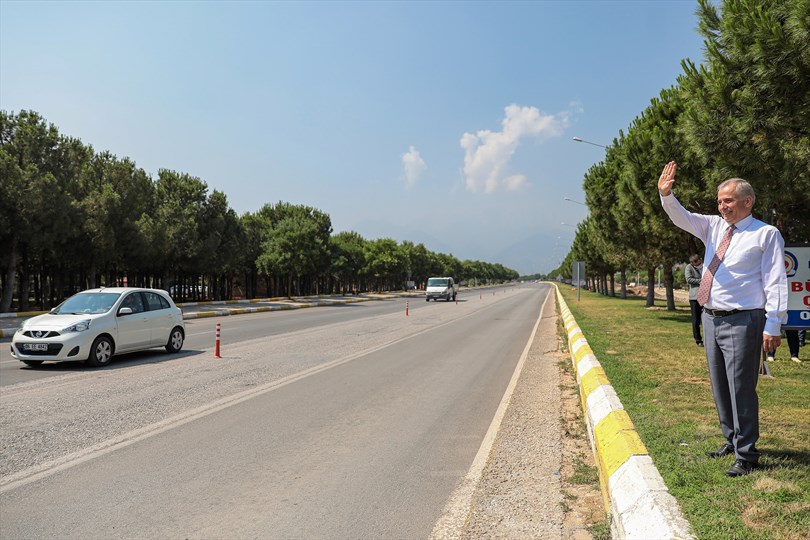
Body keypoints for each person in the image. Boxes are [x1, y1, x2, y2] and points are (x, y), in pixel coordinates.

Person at [658, 161, 788, 477]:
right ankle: (731, 439)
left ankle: (747, 454)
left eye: (728, 201)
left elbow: (776, 280)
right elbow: (683, 218)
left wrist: (774, 324)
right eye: (720, 201)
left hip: (744, 319)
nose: (722, 207)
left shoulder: (765, 234)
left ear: (747, 202)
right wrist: (666, 195)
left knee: (741, 387)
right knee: (720, 385)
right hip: (711, 317)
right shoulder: (714, 226)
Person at [685, 254, 704, 347]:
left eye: (696, 262)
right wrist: (701, 281)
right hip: (694, 298)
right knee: (696, 320)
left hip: (706, 296)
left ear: (700, 259)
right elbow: (688, 279)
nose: (694, 264)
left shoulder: (705, 266)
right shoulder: (689, 267)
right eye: (692, 262)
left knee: (706, 319)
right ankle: (698, 340)